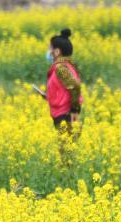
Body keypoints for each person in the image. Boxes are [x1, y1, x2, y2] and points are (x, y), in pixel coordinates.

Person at [40, 28, 83, 163]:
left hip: (66, 114)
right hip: (63, 113)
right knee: (66, 152)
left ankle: (68, 174)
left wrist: (75, 111)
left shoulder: (61, 68)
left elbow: (74, 87)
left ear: (57, 52)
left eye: (50, 49)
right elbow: (64, 89)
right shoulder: (64, 66)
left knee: (66, 154)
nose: (49, 52)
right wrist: (48, 96)